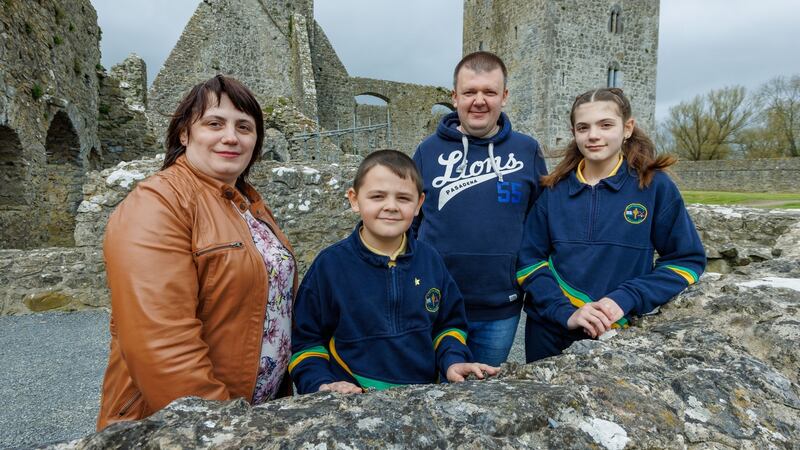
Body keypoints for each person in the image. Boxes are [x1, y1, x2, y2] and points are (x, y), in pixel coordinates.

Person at [97, 75, 297, 430]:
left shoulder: (247, 203)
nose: (231, 137)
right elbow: (161, 342)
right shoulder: (158, 203)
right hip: (187, 427)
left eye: (245, 127)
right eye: (214, 123)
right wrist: (222, 427)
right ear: (185, 134)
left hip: (255, 417)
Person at [516, 87, 706, 362]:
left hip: (618, 332)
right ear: (574, 133)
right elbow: (529, 261)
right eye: (583, 127)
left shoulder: (654, 187)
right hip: (550, 330)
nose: (593, 135)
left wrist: (625, 298)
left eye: (605, 125)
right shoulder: (553, 190)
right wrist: (564, 311)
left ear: (627, 128)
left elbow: (686, 260)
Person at [289, 150, 498, 394]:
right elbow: (306, 342)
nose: (391, 206)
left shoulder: (431, 261)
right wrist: (320, 383)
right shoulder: (329, 266)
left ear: (419, 204)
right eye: (377, 196)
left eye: (403, 198)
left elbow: (449, 325)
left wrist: (453, 360)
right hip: (351, 401)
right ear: (354, 199)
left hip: (420, 396)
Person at [412, 51, 547, 366]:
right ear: (455, 96)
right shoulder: (426, 151)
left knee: (482, 396)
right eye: (470, 92)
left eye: (489, 92)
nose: (479, 101)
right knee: (427, 393)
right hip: (434, 305)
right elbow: (410, 223)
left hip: (500, 309)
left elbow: (541, 224)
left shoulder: (527, 151)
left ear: (504, 96)